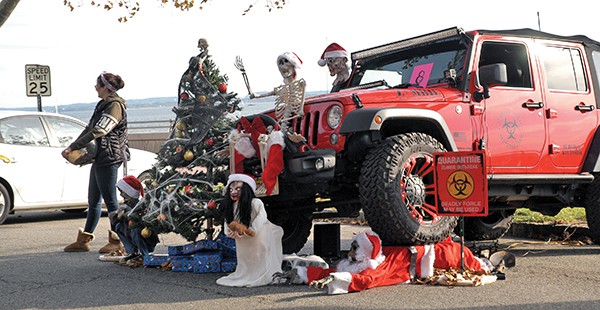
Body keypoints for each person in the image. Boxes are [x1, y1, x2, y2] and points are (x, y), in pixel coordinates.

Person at [274, 230, 498, 294]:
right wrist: (305, 275)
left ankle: (485, 263)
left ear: (365, 254)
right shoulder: (365, 260)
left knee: (463, 257)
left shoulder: (378, 267)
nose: (349, 254)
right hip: (419, 250)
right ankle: (298, 274)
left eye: (354, 249)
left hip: (437, 254)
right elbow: (344, 268)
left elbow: (368, 280)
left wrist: (338, 280)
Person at [62, 71, 129, 253]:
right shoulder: (103, 104)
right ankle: (84, 240)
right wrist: (72, 147)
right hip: (101, 156)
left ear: (105, 88)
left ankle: (118, 241)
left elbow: (99, 130)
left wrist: (73, 146)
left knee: (111, 202)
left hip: (109, 156)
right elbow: (88, 128)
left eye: (97, 85)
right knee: (94, 201)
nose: (95, 88)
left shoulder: (114, 106)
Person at [216, 174, 284, 287]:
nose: (233, 192)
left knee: (260, 252)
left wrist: (251, 230)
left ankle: (262, 272)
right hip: (242, 238)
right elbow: (228, 222)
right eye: (231, 189)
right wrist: (230, 232)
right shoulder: (232, 206)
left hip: (261, 233)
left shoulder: (255, 203)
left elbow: (261, 217)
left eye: (238, 189)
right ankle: (248, 271)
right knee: (246, 257)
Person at [110, 175, 158, 266]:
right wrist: (118, 217)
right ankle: (132, 252)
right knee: (118, 226)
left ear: (130, 193)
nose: (121, 195)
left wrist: (128, 213)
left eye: (123, 192)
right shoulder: (126, 205)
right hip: (130, 232)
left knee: (135, 230)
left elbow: (141, 218)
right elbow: (115, 221)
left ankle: (145, 254)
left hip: (145, 235)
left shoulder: (140, 204)